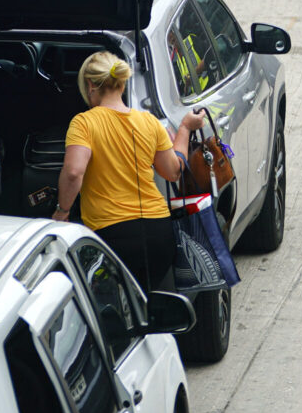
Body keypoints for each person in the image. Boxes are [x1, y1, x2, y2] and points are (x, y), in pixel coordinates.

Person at [54, 51, 207, 293]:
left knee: (114, 307)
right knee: (144, 304)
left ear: (91, 84)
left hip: (112, 236)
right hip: (159, 233)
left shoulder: (84, 123)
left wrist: (62, 212)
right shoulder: (149, 122)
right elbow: (173, 171)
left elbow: (74, 172)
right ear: (122, 82)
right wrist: (186, 129)